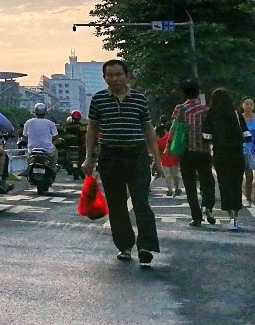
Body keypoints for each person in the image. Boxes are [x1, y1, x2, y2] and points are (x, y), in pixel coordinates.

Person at [83, 58, 162, 265]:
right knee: (117, 204)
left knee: (141, 201)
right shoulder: (98, 99)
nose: (114, 79)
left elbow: (148, 129)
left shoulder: (139, 99)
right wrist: (88, 157)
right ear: (104, 77)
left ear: (126, 76)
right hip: (110, 155)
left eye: (118, 74)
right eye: (110, 75)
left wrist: (157, 159)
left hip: (137, 155)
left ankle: (145, 246)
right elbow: (92, 129)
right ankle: (125, 246)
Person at [172, 80, 216, 227]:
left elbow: (174, 129)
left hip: (186, 153)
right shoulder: (205, 110)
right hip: (203, 151)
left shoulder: (180, 109)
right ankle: (207, 206)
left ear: (183, 93)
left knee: (189, 185)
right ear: (198, 92)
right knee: (207, 181)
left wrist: (168, 148)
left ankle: (196, 217)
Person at [206, 87, 246, 230]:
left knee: (224, 184)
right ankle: (236, 216)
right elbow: (247, 135)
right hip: (237, 154)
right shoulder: (236, 114)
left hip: (220, 154)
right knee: (236, 184)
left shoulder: (211, 114)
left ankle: (231, 217)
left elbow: (206, 136)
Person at [155, 121, 184, 198]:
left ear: (165, 129)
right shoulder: (175, 138)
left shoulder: (160, 140)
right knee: (175, 175)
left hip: (164, 160)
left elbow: (158, 151)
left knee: (167, 176)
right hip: (175, 159)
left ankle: (170, 190)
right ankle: (177, 188)